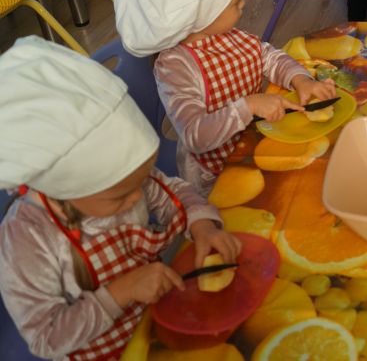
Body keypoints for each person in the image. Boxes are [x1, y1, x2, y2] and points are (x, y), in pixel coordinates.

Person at [0, 37, 241, 360]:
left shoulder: (123, 183)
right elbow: (47, 337)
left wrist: (202, 225)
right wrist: (121, 292)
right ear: (65, 190)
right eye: (121, 196)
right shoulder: (26, 239)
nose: (137, 197)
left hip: (156, 321)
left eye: (141, 181)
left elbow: (172, 193)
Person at [113, 0, 336, 194]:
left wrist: (301, 80)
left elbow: (268, 56)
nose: (243, 4)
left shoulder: (227, 34)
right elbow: (195, 135)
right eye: (235, 3)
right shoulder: (175, 67)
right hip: (215, 176)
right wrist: (248, 106)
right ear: (200, 16)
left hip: (251, 145)